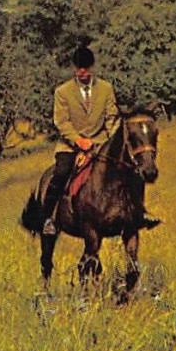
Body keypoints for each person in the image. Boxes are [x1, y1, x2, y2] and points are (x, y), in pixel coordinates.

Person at [40, 45, 119, 236]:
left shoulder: (106, 88)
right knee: (60, 174)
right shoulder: (62, 92)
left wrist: (110, 140)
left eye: (85, 67)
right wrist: (78, 140)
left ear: (92, 67)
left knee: (126, 169)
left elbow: (112, 117)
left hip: (100, 143)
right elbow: (61, 121)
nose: (82, 72)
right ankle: (48, 218)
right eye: (78, 68)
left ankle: (135, 213)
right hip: (70, 146)